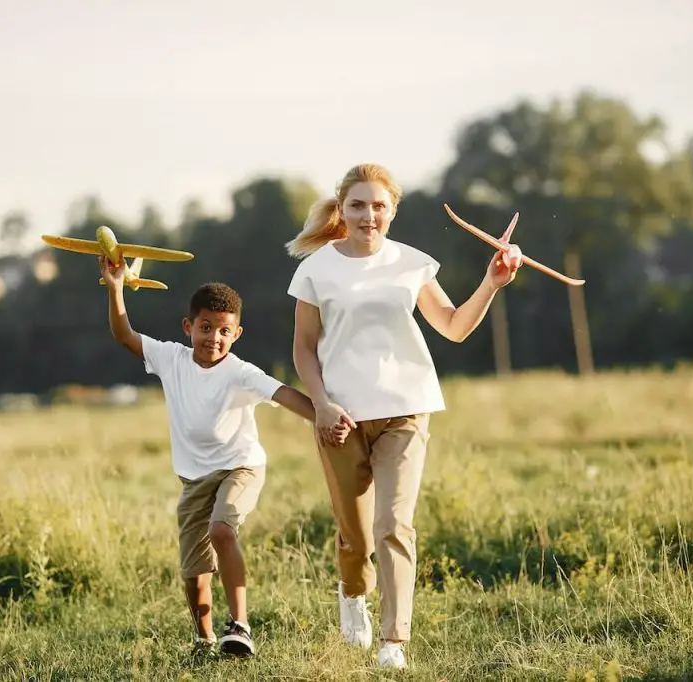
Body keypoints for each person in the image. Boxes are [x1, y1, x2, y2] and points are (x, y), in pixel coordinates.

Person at [285, 163, 522, 669]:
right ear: (342, 209)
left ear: (392, 211)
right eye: (358, 205)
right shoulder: (315, 269)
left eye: (378, 206)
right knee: (356, 534)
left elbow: (454, 327)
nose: (368, 215)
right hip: (340, 417)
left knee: (395, 523)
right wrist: (322, 405)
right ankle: (353, 593)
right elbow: (304, 350)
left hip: (405, 411)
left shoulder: (413, 264)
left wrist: (492, 283)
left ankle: (394, 643)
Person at [100, 256, 346, 657]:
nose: (213, 337)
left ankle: (241, 626)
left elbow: (284, 395)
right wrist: (115, 288)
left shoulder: (240, 372)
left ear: (237, 334)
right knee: (194, 572)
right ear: (188, 327)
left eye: (224, 331)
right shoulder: (171, 358)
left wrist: (324, 414)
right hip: (193, 478)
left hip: (241, 467)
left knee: (222, 530)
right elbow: (124, 334)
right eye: (206, 328)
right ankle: (204, 638)